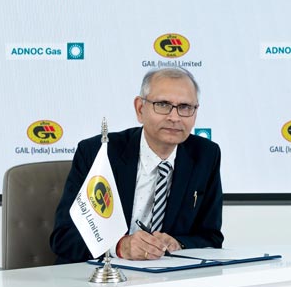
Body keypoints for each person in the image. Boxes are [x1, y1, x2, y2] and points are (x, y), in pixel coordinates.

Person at [50, 67, 223, 263]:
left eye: (185, 107)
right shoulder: (98, 152)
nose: (174, 117)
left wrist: (179, 244)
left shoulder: (206, 155)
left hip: (166, 276)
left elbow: (211, 238)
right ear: (140, 109)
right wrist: (119, 247)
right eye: (163, 105)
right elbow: (64, 236)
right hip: (97, 274)